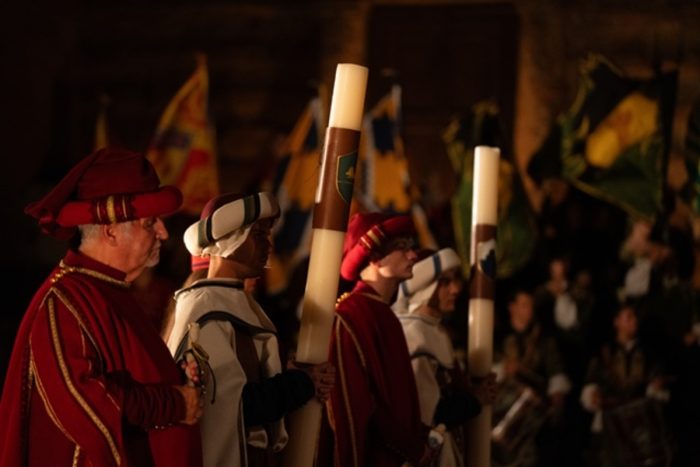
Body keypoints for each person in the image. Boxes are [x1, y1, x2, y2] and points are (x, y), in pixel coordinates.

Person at [0, 147, 203, 467]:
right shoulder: (64, 302)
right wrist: (174, 403)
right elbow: (87, 407)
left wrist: (175, 378)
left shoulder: (107, 290)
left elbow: (126, 371)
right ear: (110, 231)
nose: (163, 232)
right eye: (150, 222)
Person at [166, 192, 335, 467]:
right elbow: (229, 406)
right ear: (229, 240)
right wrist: (302, 383)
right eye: (258, 234)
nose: (269, 244)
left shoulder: (235, 302)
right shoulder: (205, 309)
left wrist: (295, 375)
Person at [327, 212, 446, 467]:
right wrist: (411, 448)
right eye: (402, 248)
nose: (413, 255)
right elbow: (360, 405)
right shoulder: (351, 315)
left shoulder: (383, 312)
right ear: (374, 258)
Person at [393, 247, 497, 467]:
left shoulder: (434, 331)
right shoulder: (413, 335)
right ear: (424, 286)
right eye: (445, 282)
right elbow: (425, 415)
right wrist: (474, 398)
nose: (456, 289)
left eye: (456, 280)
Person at [580, 301, 670, 467]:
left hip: (641, 428)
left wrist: (656, 387)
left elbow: (658, 381)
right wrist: (592, 396)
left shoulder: (647, 352)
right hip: (610, 427)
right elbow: (590, 384)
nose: (634, 321)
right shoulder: (603, 354)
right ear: (617, 322)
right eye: (628, 317)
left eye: (634, 317)